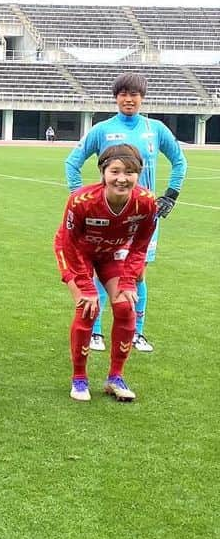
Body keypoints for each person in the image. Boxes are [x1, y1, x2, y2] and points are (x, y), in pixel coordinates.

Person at [64, 72, 186, 353]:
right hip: (105, 218)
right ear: (116, 97)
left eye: (134, 94)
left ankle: (136, 333)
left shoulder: (155, 129)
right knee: (100, 271)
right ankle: (96, 332)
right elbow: (72, 163)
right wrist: (79, 197)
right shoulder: (102, 129)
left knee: (138, 274)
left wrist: (171, 195)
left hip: (142, 218)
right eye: (123, 94)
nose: (128, 99)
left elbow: (180, 161)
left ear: (142, 98)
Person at [55, 144, 157, 402]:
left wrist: (129, 279)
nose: (122, 178)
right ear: (103, 172)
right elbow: (68, 242)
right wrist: (86, 287)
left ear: (139, 174)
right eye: (115, 171)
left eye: (130, 172)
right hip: (76, 253)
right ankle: (79, 378)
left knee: (125, 308)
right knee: (88, 307)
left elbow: (141, 244)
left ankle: (115, 377)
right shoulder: (81, 201)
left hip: (112, 254)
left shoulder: (146, 202)